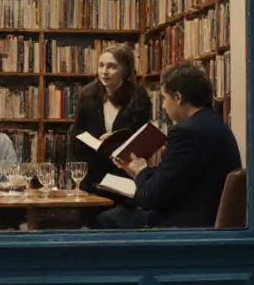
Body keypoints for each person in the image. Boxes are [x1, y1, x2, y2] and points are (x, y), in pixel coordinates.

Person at [95, 61, 240, 229]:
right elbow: (176, 176)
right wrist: (137, 170)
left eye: (164, 98)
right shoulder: (214, 123)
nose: (163, 106)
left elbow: (151, 197)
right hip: (200, 215)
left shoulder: (186, 133)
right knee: (120, 212)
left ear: (178, 98)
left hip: (186, 226)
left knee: (107, 219)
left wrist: (141, 171)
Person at [66, 45, 152, 198]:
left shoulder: (138, 97)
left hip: (123, 176)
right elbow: (77, 133)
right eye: (101, 65)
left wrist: (115, 139)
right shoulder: (88, 94)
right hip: (92, 174)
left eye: (111, 66)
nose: (104, 72)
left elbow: (142, 140)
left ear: (125, 70)